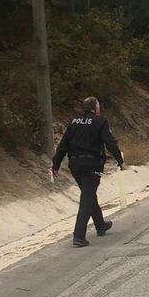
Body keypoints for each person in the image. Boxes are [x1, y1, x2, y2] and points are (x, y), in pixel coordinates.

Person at [51, 97, 124, 248]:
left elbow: (63, 145)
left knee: (89, 194)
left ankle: (100, 225)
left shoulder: (74, 122)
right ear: (96, 109)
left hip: (75, 165)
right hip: (92, 165)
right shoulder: (100, 121)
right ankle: (78, 235)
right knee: (87, 198)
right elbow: (109, 142)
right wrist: (120, 160)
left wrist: (55, 164)